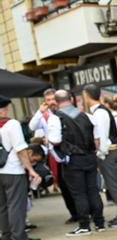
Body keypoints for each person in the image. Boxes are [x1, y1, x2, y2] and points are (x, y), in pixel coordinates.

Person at [51, 89, 106, 236]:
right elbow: (97, 141)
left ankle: (84, 225)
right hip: (90, 156)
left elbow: (55, 140)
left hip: (73, 159)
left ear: (56, 102)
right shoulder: (87, 116)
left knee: (78, 193)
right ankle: (99, 222)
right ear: (71, 99)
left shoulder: (56, 118)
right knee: (93, 190)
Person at [83, 85, 117, 228]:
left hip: (108, 152)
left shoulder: (100, 113)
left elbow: (102, 136)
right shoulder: (100, 111)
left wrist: (101, 153)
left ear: (87, 95)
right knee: (113, 183)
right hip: (109, 151)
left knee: (114, 183)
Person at [28, 88, 77, 223]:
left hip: (70, 151)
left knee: (74, 182)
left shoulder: (67, 111)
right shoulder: (44, 115)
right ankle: (74, 213)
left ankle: (83, 211)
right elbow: (32, 127)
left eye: (53, 99)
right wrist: (39, 112)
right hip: (55, 154)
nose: (51, 102)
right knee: (62, 183)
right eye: (48, 100)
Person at [0, 95, 41, 240]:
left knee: (2, 205)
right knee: (16, 204)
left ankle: (7, 237)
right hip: (12, 169)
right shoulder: (12, 124)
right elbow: (21, 149)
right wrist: (30, 169)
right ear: (5, 108)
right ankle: (19, 237)